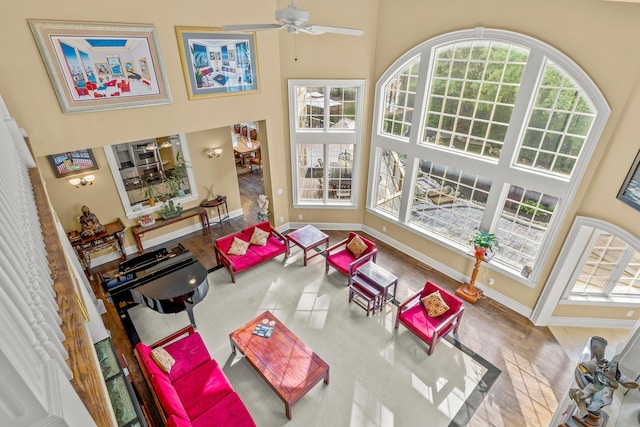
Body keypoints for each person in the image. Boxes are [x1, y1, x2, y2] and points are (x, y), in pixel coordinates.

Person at [569, 336, 639, 423]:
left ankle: (582, 400)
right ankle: (580, 398)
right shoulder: (594, 362)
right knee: (592, 393)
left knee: (600, 398)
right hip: (596, 384)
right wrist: (587, 368)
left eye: (599, 347)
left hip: (604, 388)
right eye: (595, 347)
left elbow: (623, 379)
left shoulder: (612, 366)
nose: (598, 350)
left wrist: (630, 383)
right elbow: (586, 366)